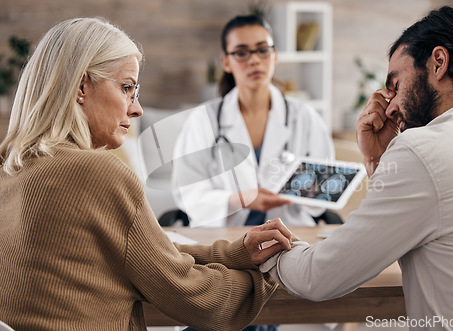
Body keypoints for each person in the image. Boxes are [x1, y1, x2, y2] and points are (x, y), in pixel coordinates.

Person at [0, 17, 295, 331]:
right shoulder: (97, 172)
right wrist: (267, 274)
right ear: (82, 86)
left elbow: (143, 251)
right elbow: (193, 296)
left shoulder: (11, 166)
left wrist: (236, 253)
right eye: (127, 88)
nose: (136, 108)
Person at [259, 6, 453, 330]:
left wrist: (269, 249)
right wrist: (379, 162)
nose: (393, 106)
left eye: (395, 84)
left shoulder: (424, 150)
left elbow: (319, 277)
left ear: (438, 63)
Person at [171, 15, 336, 228]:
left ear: (275, 55)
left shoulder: (305, 117)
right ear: (226, 62)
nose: (254, 60)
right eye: (241, 53)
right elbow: (187, 192)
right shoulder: (202, 120)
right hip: (224, 239)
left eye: (262, 50)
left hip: (291, 235)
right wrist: (241, 199)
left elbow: (324, 194)